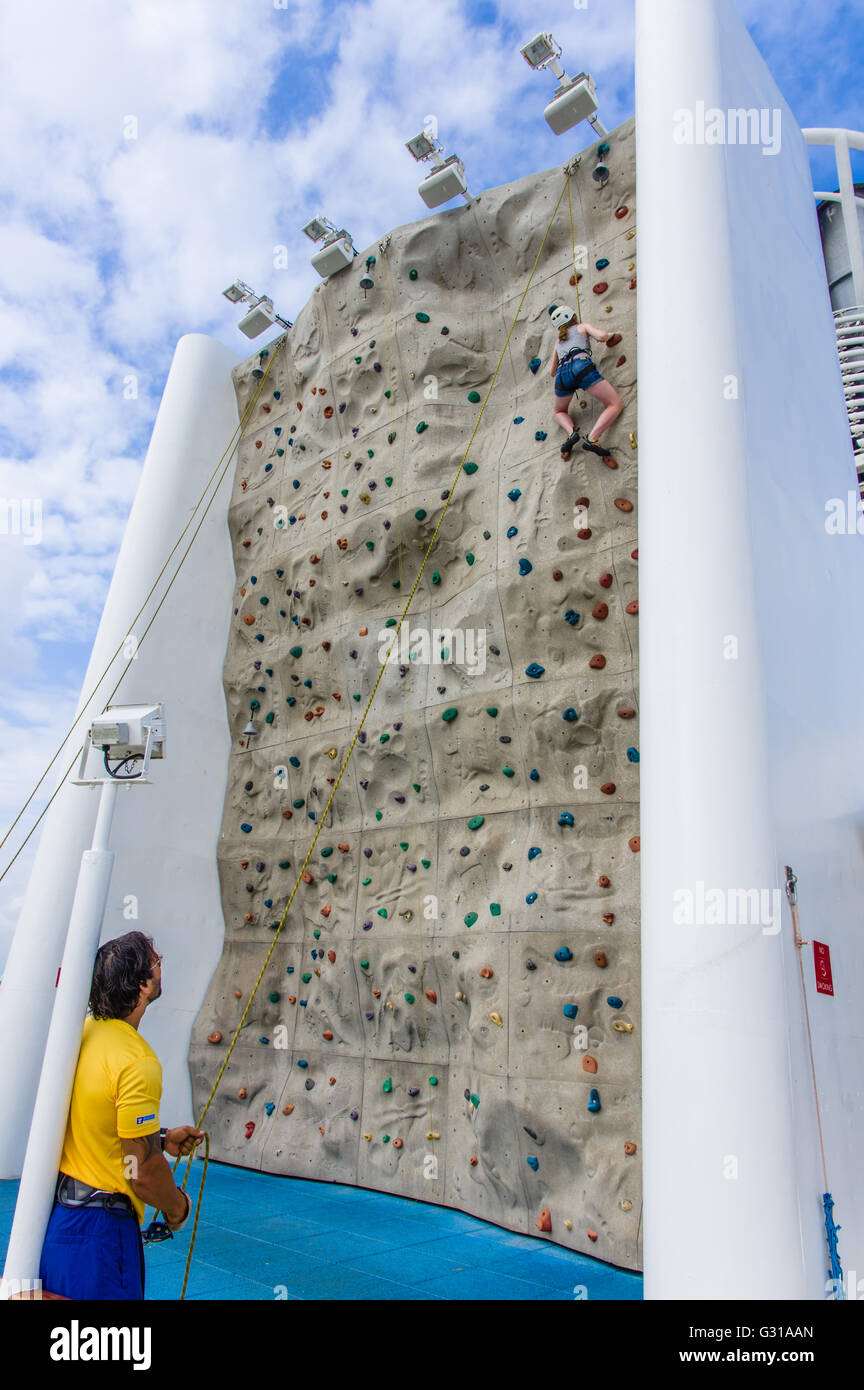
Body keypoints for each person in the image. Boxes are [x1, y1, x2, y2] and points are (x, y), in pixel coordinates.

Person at [38, 931, 202, 1300]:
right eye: (156, 961)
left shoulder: (81, 1034)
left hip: (61, 1221)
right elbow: (140, 1171)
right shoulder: (137, 1061)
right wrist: (177, 1208)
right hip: (101, 1232)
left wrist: (159, 1138)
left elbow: (92, 1114)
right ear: (143, 985)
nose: (162, 966)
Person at [548, 302, 624, 460]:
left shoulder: (558, 342)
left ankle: (571, 433)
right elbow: (601, 336)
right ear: (573, 317)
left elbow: (552, 372)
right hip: (581, 367)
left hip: (562, 375)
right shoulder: (582, 327)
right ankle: (592, 439)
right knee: (614, 404)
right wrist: (610, 335)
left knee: (559, 411)